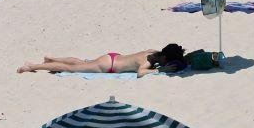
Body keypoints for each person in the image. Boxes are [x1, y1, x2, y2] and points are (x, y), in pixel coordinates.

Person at [17, 44, 186, 76]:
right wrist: (161, 70)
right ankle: (33, 66)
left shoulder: (153, 51)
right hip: (108, 66)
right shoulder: (148, 62)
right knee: (70, 69)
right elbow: (141, 73)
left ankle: (51, 58)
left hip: (113, 57)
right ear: (164, 57)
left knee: (80, 62)